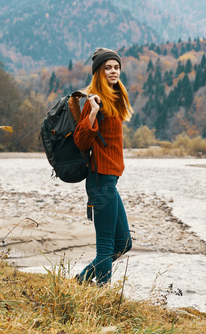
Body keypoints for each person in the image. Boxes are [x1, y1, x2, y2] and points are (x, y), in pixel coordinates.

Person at [73, 48, 133, 285]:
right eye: (107, 67)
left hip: (110, 182)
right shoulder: (94, 101)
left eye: (116, 67)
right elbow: (80, 140)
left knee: (124, 244)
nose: (113, 71)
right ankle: (102, 295)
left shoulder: (114, 99)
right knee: (106, 247)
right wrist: (92, 113)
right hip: (100, 181)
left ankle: (80, 280)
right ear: (98, 71)